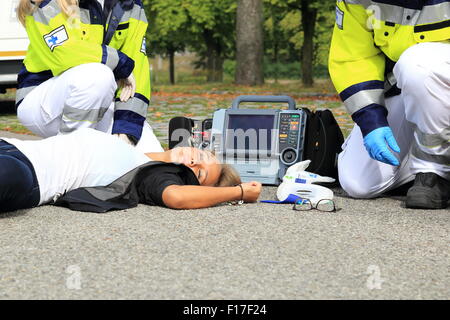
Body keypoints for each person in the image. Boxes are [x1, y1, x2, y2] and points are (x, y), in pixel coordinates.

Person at [329, 0, 450, 209]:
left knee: (417, 64)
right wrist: (371, 120)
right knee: (358, 183)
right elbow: (353, 58)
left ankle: (433, 173)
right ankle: (417, 166)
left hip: (434, 76)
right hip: (406, 86)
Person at [15, 0, 163, 153]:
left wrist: (126, 130)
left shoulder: (131, 5)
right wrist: (119, 62)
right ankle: (67, 156)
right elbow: (64, 53)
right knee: (98, 75)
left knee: (147, 150)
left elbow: (137, 65)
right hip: (43, 100)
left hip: (97, 102)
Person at [0, 128, 262, 213]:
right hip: (14, 146)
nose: (195, 162)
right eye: (202, 156)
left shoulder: (152, 173)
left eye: (200, 173)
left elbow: (177, 197)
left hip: (28, 174)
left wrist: (237, 192)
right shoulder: (144, 147)